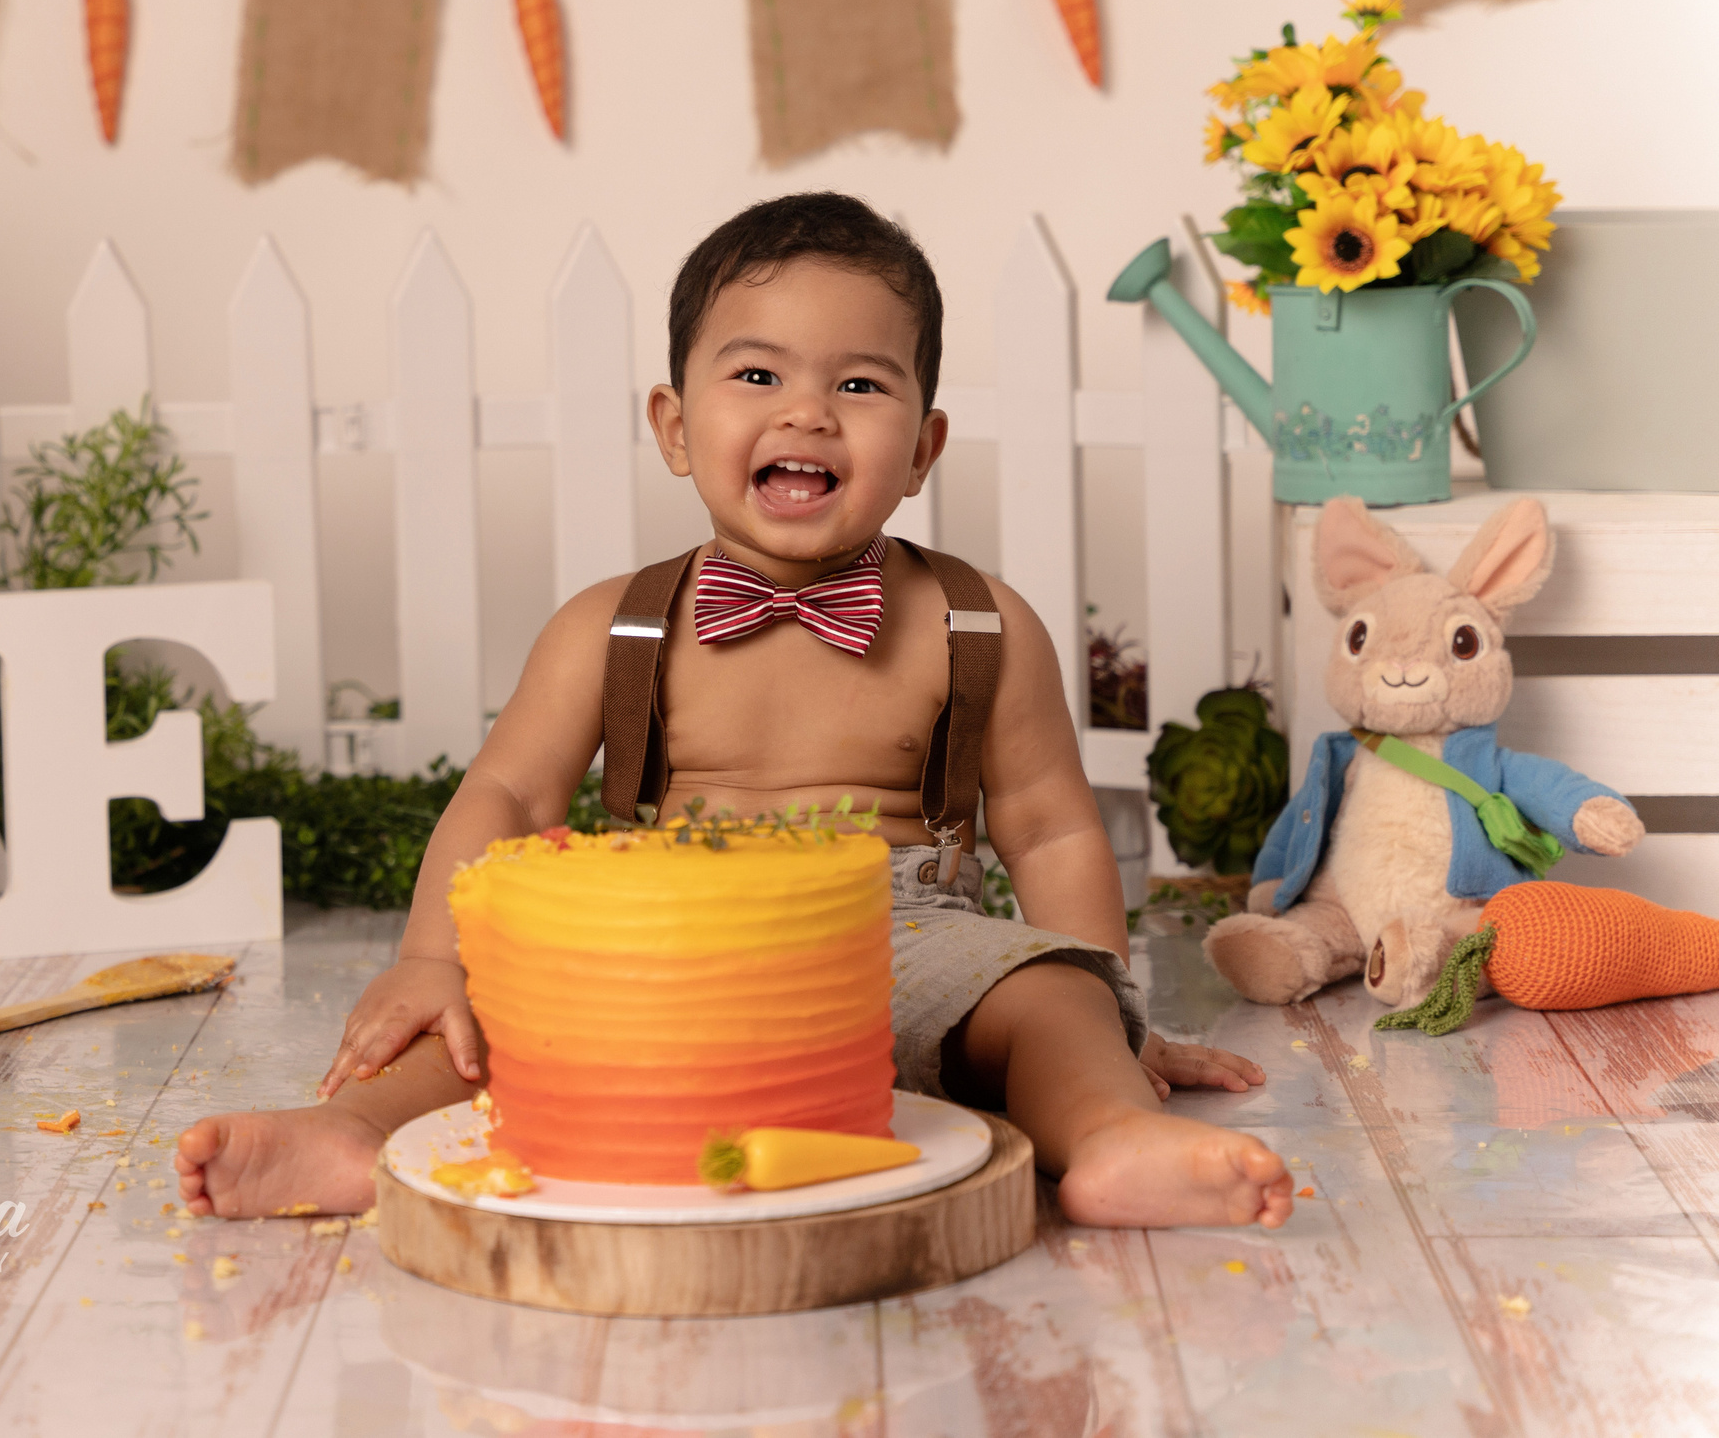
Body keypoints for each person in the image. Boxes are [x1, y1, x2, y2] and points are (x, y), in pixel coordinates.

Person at [176, 193, 1294, 1230]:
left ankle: (1104, 1134)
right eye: (757, 376)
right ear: (673, 425)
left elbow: (1047, 828)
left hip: (911, 943)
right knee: (488, 1019)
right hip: (663, 950)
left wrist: (1112, 1012)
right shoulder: (611, 626)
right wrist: (430, 959)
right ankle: (349, 1136)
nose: (807, 412)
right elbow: (508, 792)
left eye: (859, 386)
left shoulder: (976, 624)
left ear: (921, 448)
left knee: (1050, 994)